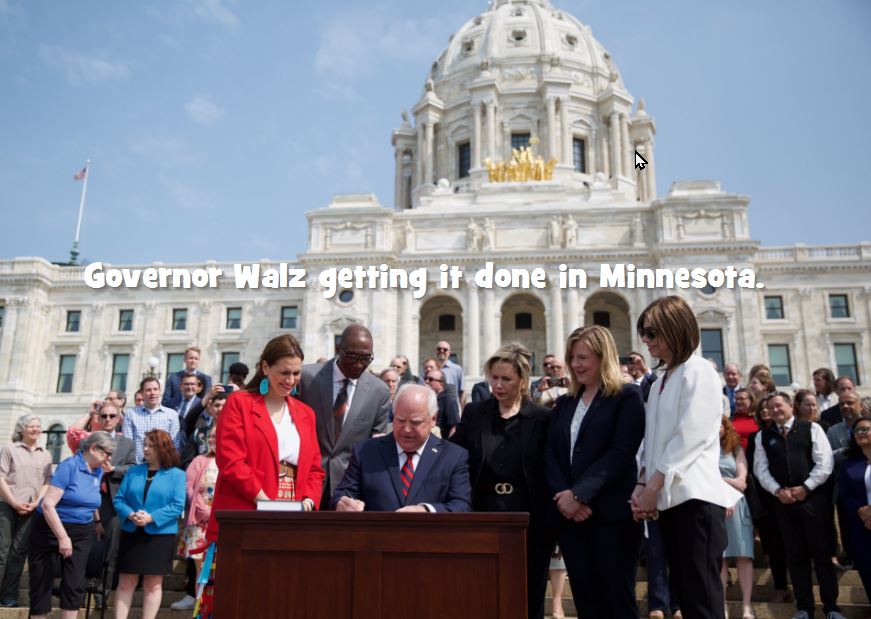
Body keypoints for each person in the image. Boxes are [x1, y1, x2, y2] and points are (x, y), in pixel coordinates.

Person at [631, 295, 741, 619]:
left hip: (696, 501)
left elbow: (689, 436)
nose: (646, 341)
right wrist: (641, 483)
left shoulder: (700, 370)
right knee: (686, 595)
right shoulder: (658, 382)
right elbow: (648, 442)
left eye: (652, 333)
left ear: (675, 329)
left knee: (701, 598)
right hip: (669, 502)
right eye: (644, 334)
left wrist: (653, 486)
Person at [202, 334, 325, 617]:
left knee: (282, 597)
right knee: (242, 599)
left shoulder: (306, 413)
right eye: (284, 372)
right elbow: (231, 460)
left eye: (296, 373)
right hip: (246, 511)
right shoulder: (240, 403)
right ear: (265, 367)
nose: (291, 379)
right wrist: (265, 502)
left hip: (293, 516)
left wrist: (308, 500)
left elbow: (315, 469)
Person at [545, 326, 645, 619]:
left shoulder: (627, 396)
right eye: (572, 357)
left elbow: (620, 453)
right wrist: (566, 500)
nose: (575, 364)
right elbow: (551, 454)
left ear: (604, 358)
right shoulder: (564, 402)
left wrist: (580, 494)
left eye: (583, 357)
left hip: (612, 517)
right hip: (571, 519)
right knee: (587, 603)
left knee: (617, 601)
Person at [452, 344, 554, 619]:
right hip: (483, 513)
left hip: (530, 518)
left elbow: (551, 469)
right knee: (482, 592)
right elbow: (454, 453)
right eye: (493, 378)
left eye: (506, 379)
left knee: (530, 593)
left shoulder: (543, 419)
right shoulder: (475, 413)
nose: (497, 385)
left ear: (522, 381)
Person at [752, 392, 844, 619]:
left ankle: (831, 607)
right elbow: (760, 470)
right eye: (770, 408)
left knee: (822, 554)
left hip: (813, 501)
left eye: (779, 406)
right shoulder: (762, 436)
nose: (775, 411)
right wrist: (777, 491)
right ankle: (805, 608)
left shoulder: (811, 429)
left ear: (790, 406)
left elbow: (825, 464)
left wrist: (805, 487)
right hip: (783, 503)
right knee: (796, 555)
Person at [332, 384, 471, 513]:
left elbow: (462, 505)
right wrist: (343, 503)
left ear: (433, 419)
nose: (406, 429)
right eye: (400, 420)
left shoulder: (453, 456)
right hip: (376, 537)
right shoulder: (366, 451)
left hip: (429, 537)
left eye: (415, 422)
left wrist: (426, 510)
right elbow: (342, 494)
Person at [299, 324, 390, 503]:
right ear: (338, 349)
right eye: (352, 357)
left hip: (349, 490)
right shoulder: (306, 378)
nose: (358, 364)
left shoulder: (379, 391)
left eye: (365, 358)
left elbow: (375, 445)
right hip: (305, 483)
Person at [28, 432, 114, 619]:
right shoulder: (69, 466)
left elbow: (89, 499)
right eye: (107, 453)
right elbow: (47, 504)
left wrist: (97, 521)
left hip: (81, 530)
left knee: (75, 583)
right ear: (93, 448)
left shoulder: (97, 469)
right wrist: (62, 537)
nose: (109, 458)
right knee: (42, 581)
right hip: (50, 528)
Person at [112, 429, 185, 619]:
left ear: (163, 448)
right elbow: (119, 500)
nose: (145, 448)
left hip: (160, 534)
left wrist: (151, 518)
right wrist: (131, 515)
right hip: (132, 531)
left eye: (151, 446)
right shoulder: (134, 471)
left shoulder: (177, 475)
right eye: (144, 444)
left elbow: (177, 505)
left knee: (153, 584)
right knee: (126, 581)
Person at [0, 415, 52, 607]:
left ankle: (9, 596)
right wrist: (13, 503)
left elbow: (48, 481)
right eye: (32, 426)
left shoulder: (45, 454)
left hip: (31, 509)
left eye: (38, 426)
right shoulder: (9, 449)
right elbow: (1, 478)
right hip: (7, 505)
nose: (36, 429)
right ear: (22, 428)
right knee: (2, 551)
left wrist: (37, 502)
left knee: (18, 553)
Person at [173, 426, 219, 612]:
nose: (213, 439)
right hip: (200, 523)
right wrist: (202, 509)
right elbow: (189, 486)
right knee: (202, 571)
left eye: (218, 435)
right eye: (211, 436)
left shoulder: (232, 460)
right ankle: (201, 610)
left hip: (222, 522)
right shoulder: (199, 460)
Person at [718, 416, 755, 619]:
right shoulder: (702, 450)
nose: (717, 428)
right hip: (714, 505)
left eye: (720, 424)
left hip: (737, 506)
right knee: (720, 558)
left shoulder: (735, 449)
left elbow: (742, 482)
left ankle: (747, 606)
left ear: (726, 427)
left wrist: (721, 480)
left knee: (744, 556)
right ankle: (721, 605)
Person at [837, 417, 871, 603]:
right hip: (862, 525)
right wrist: (863, 511)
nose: (861, 433)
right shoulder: (849, 464)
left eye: (866, 429)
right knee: (867, 568)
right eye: (857, 430)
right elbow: (844, 493)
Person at [122, 376, 181, 461]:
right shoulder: (131, 414)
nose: (152, 393)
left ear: (160, 391)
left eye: (155, 389)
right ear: (142, 393)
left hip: (162, 465)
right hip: (137, 466)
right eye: (148, 390)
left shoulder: (172, 415)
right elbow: (127, 444)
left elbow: (174, 445)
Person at [424, 368, 460, 438]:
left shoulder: (448, 400)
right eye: (425, 378)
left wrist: (449, 446)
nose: (427, 381)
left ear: (441, 384)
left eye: (431, 379)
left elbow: (454, 427)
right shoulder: (427, 398)